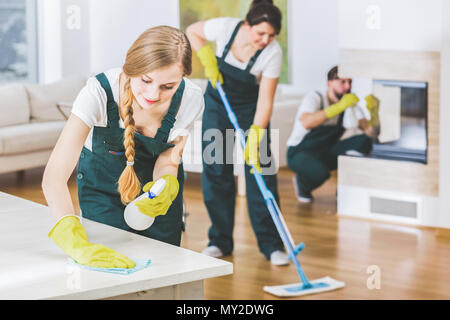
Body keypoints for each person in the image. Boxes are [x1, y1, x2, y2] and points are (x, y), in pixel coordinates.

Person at [42, 26, 204, 268]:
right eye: (146, 80)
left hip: (153, 197)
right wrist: (73, 241)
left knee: (163, 269)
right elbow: (54, 178)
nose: (152, 94)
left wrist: (164, 187)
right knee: (109, 270)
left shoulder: (190, 98)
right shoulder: (98, 93)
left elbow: (169, 157)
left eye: (167, 87)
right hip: (103, 188)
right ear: (131, 67)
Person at [186, 0, 289, 266]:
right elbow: (192, 31)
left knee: (261, 173)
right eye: (260, 33)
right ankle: (219, 241)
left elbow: (266, 100)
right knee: (216, 170)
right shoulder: (225, 28)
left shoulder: (272, 53)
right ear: (247, 25)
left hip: (251, 112)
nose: (265, 40)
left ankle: (272, 245)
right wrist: (207, 59)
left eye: (271, 35)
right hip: (217, 106)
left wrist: (256, 134)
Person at [286, 65, 380, 203]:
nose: (347, 87)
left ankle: (344, 189)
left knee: (366, 141)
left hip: (326, 151)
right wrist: (339, 107)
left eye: (350, 82)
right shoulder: (315, 98)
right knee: (321, 173)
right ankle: (302, 184)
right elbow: (307, 121)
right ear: (329, 83)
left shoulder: (349, 104)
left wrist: (374, 112)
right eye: (342, 82)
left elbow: (371, 133)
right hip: (299, 153)